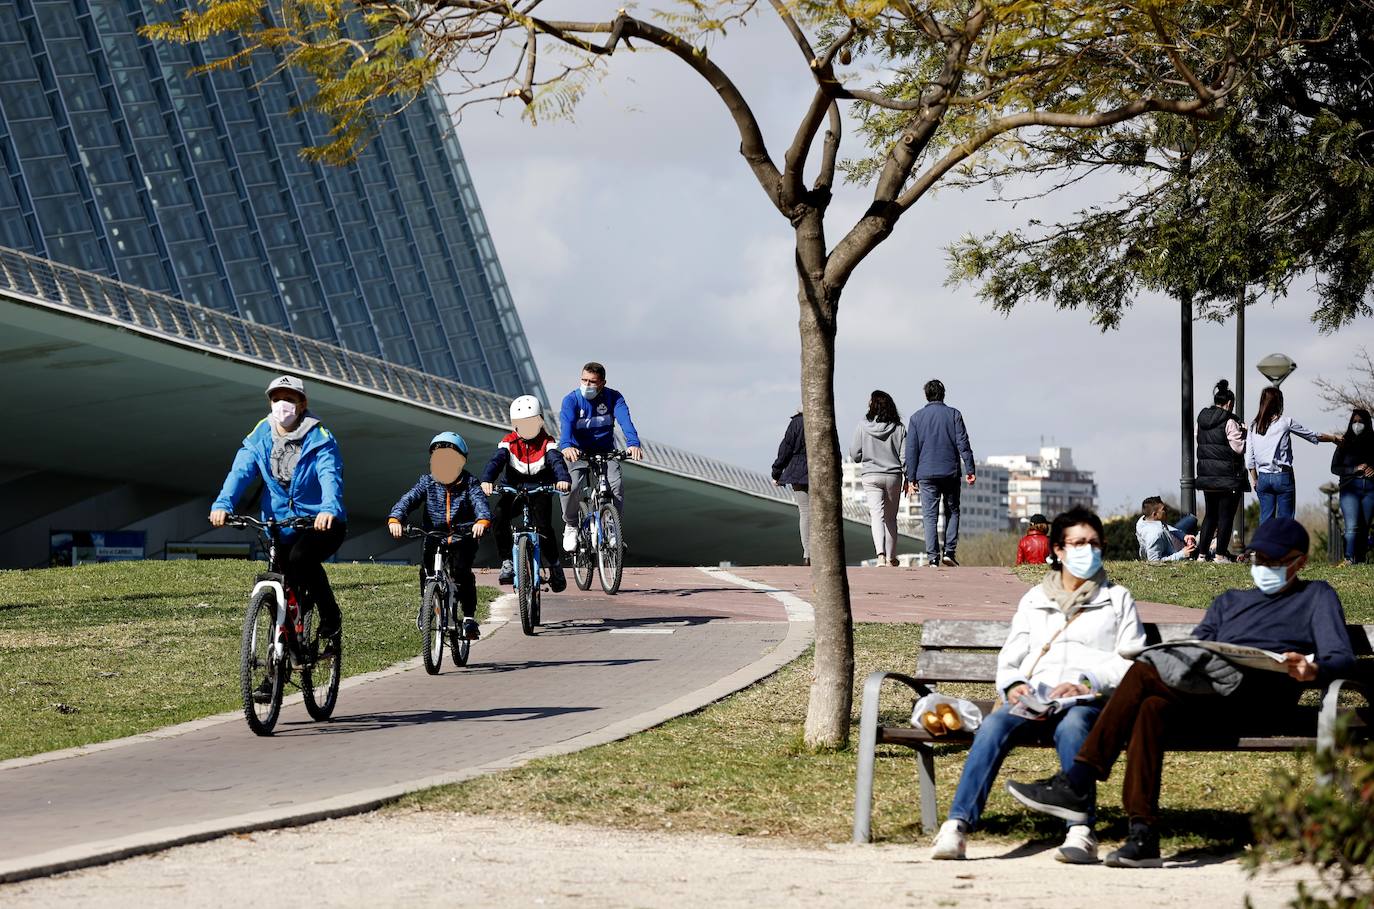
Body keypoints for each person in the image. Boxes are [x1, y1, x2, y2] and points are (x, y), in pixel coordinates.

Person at [1006, 517, 1356, 868]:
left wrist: (1313, 670)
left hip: (1261, 701)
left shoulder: (1316, 596)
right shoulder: (1230, 601)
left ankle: (1078, 780)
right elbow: (1196, 649)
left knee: (1144, 671)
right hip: (1209, 696)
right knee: (1152, 707)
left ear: (1300, 562)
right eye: (1259, 558)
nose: (1264, 567)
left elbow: (1341, 658)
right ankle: (1143, 835)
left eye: (1275, 561)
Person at [931, 506, 1147, 864]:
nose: (1088, 551)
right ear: (1058, 550)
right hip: (1034, 698)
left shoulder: (1117, 598)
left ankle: (1081, 830)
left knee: (1075, 726)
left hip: (1087, 699)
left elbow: (1132, 659)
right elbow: (1011, 656)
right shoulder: (1035, 598)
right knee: (994, 725)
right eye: (1078, 543)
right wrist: (1014, 685)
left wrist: (1086, 682)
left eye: (1094, 544)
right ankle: (957, 825)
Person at [210, 376, 346, 654]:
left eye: (289, 399)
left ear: (302, 404)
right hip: (279, 524)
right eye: (276, 399)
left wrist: (329, 509)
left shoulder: (320, 438)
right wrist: (223, 504)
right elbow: (240, 472)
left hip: (321, 523)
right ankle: (281, 656)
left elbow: (329, 475)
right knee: (280, 579)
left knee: (301, 559)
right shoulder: (260, 436)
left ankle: (330, 616)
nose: (282, 405)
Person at [387, 432, 491, 641]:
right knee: (426, 571)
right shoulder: (427, 482)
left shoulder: (470, 483)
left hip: (463, 537)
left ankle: (469, 618)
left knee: (461, 573)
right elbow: (409, 499)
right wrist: (395, 518)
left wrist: (481, 521)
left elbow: (480, 503)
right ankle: (427, 604)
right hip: (434, 536)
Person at [481, 395, 573, 590]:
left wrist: (563, 479)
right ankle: (507, 561)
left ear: (540, 422)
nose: (526, 428)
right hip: (513, 489)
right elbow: (496, 461)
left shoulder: (547, 442)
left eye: (531, 423)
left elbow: (557, 461)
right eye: (521, 424)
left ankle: (555, 565)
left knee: (544, 527)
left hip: (540, 489)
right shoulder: (508, 442)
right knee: (498, 517)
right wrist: (487, 480)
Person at [558, 362, 643, 552]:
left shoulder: (614, 398)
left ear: (602, 383)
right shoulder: (571, 400)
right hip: (577, 452)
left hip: (605, 452)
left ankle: (612, 529)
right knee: (571, 486)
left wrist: (633, 443)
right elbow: (566, 426)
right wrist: (566, 446)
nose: (587, 385)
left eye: (592, 382)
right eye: (584, 380)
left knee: (616, 486)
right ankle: (571, 525)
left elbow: (626, 422)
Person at [904, 379, 976, 567]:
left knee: (930, 515)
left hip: (925, 474)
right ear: (943, 394)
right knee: (952, 510)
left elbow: (911, 450)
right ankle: (949, 552)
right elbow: (963, 443)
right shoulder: (954, 414)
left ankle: (933, 557)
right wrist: (970, 468)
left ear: (926, 395)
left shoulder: (916, 418)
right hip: (950, 472)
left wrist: (911, 477)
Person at [1246, 386, 1341, 525]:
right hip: (1283, 476)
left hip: (1263, 478)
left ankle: (1264, 539)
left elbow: (1249, 459)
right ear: (1279, 403)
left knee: (1265, 521)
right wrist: (1333, 438)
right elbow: (1312, 435)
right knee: (1286, 522)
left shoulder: (1253, 426)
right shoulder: (1285, 422)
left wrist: (1255, 479)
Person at [850, 390, 906, 567]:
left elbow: (854, 454)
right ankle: (891, 557)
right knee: (891, 518)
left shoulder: (862, 426)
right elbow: (904, 457)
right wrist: (909, 477)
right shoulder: (899, 428)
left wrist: (867, 455)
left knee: (876, 516)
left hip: (871, 475)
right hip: (893, 476)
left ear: (872, 406)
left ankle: (880, 555)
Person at [1194, 379, 1248, 561]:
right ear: (1230, 403)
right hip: (1227, 477)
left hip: (1206, 476)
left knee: (1210, 515)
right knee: (1225, 517)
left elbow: (1199, 439)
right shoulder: (1229, 421)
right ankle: (1220, 555)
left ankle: (1202, 554)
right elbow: (1239, 448)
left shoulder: (1201, 421)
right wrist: (1244, 433)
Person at [1331, 407, 1374, 565]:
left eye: (1360, 421)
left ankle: (1360, 559)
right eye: (1354, 421)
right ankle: (1349, 558)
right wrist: (1354, 469)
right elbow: (1334, 468)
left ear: (1367, 423)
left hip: (1370, 490)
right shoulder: (1344, 443)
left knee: (1364, 527)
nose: (1357, 424)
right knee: (1352, 526)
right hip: (1349, 489)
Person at [772, 408, 809, 566]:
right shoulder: (824, 418)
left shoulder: (796, 423)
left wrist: (777, 472)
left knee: (805, 512)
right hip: (821, 470)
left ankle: (808, 554)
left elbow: (785, 449)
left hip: (798, 471)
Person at [1135, 497, 1197, 562]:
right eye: (1163, 509)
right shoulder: (1155, 535)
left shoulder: (1144, 520)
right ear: (1155, 514)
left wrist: (1184, 536)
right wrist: (1182, 554)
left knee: (1191, 519)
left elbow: (1164, 526)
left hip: (1171, 539)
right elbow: (1154, 561)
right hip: (1174, 551)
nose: (1167, 510)